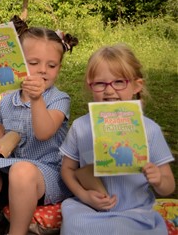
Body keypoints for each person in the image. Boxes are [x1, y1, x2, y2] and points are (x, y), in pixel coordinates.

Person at [0, 18, 78, 235]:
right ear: (18, 62)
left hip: (46, 176)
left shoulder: (59, 99)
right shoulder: (8, 100)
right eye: (34, 63)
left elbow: (44, 132)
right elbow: (0, 143)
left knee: (22, 171)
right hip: (10, 173)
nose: (42, 71)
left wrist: (36, 98)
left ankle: (16, 232)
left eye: (51, 65)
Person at [59, 44, 175, 234]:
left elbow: (168, 186)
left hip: (135, 212)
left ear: (137, 85)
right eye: (100, 83)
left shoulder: (150, 130)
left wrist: (158, 180)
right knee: (74, 224)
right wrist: (84, 196)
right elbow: (67, 169)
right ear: (90, 86)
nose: (109, 91)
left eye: (119, 82)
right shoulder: (80, 127)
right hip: (89, 210)